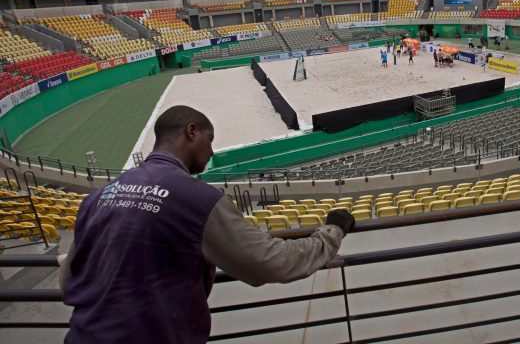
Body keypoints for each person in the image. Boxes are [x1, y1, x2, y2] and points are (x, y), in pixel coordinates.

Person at [59, 106, 354, 344]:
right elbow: (270, 261)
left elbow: (68, 278)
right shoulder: (198, 200)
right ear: (191, 132)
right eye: (209, 140)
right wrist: (331, 233)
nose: (211, 151)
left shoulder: (100, 196)